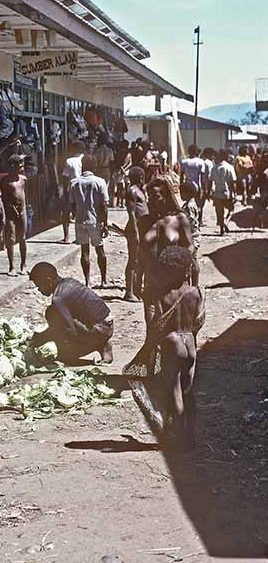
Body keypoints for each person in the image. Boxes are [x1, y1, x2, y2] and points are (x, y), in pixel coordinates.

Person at [123, 246, 205, 449]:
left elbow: (152, 326)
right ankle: (191, 437)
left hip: (172, 345)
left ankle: (177, 440)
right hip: (190, 344)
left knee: (174, 392)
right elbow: (199, 321)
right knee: (188, 391)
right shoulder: (195, 292)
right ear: (186, 270)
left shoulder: (157, 295)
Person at [29, 262, 114, 365]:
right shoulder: (69, 281)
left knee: (51, 314)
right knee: (54, 313)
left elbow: (71, 331)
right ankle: (101, 343)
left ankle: (99, 344)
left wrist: (42, 337)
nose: (39, 290)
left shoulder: (58, 298)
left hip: (99, 330)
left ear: (49, 281)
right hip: (107, 324)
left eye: (39, 286)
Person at [140, 175, 193, 328]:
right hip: (151, 282)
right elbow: (140, 252)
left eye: (156, 196)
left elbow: (190, 245)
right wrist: (137, 277)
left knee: (173, 328)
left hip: (173, 283)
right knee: (152, 330)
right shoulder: (145, 221)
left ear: (166, 196)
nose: (152, 200)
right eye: (149, 196)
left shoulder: (179, 219)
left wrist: (180, 261)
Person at [69, 153, 109, 288]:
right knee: (100, 250)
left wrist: (76, 216)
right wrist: (105, 223)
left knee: (84, 252)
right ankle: (103, 280)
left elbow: (72, 204)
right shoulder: (100, 181)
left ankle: (87, 281)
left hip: (80, 220)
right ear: (94, 166)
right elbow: (104, 205)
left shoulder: (74, 182)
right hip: (95, 220)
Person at [124, 166, 149, 302]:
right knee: (133, 260)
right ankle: (129, 292)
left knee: (141, 260)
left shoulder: (141, 190)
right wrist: (135, 232)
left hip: (142, 229)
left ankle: (137, 289)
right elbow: (132, 213)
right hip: (135, 229)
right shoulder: (132, 191)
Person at [1, 154, 28, 276]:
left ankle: (23, 264)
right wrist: (10, 208)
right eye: (20, 166)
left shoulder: (23, 179)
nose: (22, 168)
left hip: (22, 211)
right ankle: (11, 266)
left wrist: (24, 208)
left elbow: (25, 195)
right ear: (12, 166)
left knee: (22, 238)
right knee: (11, 238)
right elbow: (4, 197)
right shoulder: (5, 180)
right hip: (10, 211)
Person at [60, 140, 85, 243]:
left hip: (71, 190)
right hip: (83, 191)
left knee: (65, 214)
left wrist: (65, 191)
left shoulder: (69, 161)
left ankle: (66, 237)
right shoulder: (87, 159)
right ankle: (80, 237)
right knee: (80, 214)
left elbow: (65, 177)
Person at [210, 148, 237, 236]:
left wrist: (210, 192)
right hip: (226, 193)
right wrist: (235, 193)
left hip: (217, 193)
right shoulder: (230, 167)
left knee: (219, 211)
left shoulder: (214, 168)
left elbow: (211, 181)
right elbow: (233, 182)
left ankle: (222, 229)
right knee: (231, 209)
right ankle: (226, 221)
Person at [180, 180, 201, 286]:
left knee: (192, 261)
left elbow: (188, 221)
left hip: (192, 236)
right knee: (193, 260)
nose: (180, 194)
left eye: (181, 192)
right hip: (193, 235)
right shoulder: (190, 204)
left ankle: (194, 285)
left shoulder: (189, 206)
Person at [111, 139, 132, 208]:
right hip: (127, 171)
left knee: (120, 188)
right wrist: (125, 169)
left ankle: (120, 202)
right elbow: (130, 163)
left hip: (120, 171)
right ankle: (126, 202)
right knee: (126, 187)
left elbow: (117, 163)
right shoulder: (129, 154)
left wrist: (122, 169)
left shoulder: (119, 153)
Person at [199, 148, 215, 226]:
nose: (213, 156)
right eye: (212, 155)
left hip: (200, 184)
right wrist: (209, 189)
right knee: (202, 204)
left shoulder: (200, 161)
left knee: (200, 204)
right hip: (206, 184)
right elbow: (210, 176)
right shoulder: (209, 163)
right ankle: (200, 220)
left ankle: (199, 219)